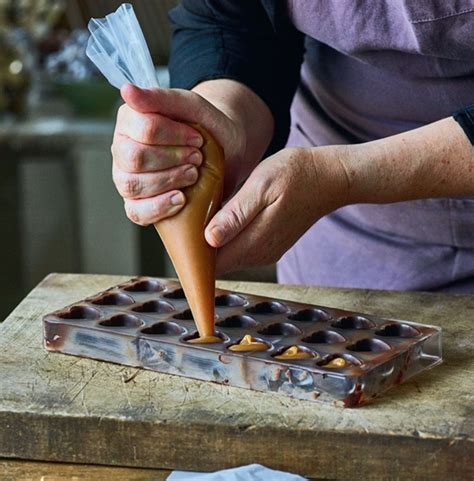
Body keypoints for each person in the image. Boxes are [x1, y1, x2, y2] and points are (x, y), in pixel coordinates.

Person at [111, 1, 474, 293]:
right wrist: (217, 125)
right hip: (341, 246)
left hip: (329, 183)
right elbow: (234, 20)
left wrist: (342, 177)